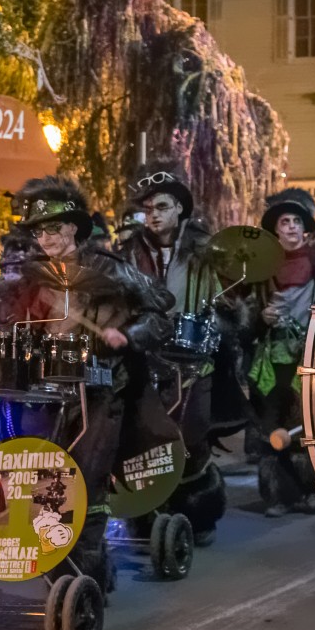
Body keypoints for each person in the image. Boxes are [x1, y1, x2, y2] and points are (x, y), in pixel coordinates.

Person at [0, 176, 173, 595]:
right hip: (48, 392)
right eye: (39, 231)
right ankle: (52, 560)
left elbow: (162, 310)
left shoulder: (111, 268)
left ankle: (86, 573)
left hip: (102, 390)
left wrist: (128, 336)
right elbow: (18, 326)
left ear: (73, 228)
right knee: (39, 478)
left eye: (53, 228)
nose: (45, 238)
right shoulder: (35, 278)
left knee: (85, 482)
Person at [118, 162, 230, 545]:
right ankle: (148, 514)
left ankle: (197, 512)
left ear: (180, 208)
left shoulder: (205, 249)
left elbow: (228, 298)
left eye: (161, 207)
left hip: (194, 355)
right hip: (146, 355)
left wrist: (222, 313)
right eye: (148, 209)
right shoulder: (129, 251)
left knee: (191, 437)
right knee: (147, 437)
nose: (153, 215)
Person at [245, 188, 315, 518]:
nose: (293, 227)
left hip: (308, 355)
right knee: (271, 425)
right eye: (286, 221)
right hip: (271, 358)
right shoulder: (260, 269)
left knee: (306, 426)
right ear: (276, 229)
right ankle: (275, 496)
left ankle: (310, 492)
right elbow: (244, 316)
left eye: (298, 221)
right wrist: (258, 317)